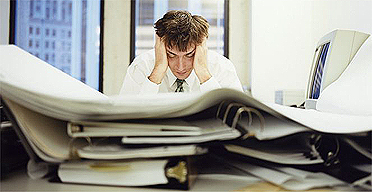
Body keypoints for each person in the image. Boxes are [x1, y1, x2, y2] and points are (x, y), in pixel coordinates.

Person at [120, 10, 243, 95]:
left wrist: (204, 74)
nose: (180, 66)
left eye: (189, 55)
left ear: (201, 46)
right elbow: (125, 117)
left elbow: (237, 118)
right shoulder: (142, 66)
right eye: (171, 54)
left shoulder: (222, 68)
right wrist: (157, 71)